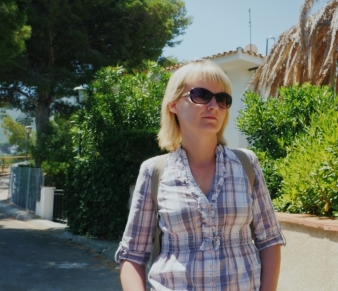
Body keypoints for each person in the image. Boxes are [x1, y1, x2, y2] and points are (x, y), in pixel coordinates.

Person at [116, 60, 285, 291]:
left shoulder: (246, 164)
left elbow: (269, 241)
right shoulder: (154, 171)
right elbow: (133, 255)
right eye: (201, 95)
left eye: (223, 99)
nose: (214, 105)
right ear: (173, 104)